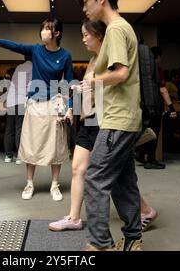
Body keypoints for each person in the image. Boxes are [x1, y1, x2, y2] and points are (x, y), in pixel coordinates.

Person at [76, 0, 143, 251]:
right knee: (122, 182)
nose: (84, 8)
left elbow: (122, 73)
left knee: (94, 178)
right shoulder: (124, 27)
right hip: (123, 118)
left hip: (118, 120)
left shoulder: (115, 28)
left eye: (86, 2)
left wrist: (93, 80)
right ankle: (132, 239)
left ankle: (99, 244)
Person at [0, 18, 74, 202]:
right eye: (42, 28)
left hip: (54, 103)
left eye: (47, 29)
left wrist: (70, 108)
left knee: (56, 147)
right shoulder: (35, 50)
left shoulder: (65, 56)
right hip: (34, 104)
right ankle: (29, 183)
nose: (43, 32)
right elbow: (15, 45)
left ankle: (55, 185)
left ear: (56, 33)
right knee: (30, 145)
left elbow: (68, 84)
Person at [48, 19, 104, 231]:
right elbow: (88, 87)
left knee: (115, 175)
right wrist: (74, 106)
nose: (83, 39)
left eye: (86, 34)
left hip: (103, 120)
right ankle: (74, 218)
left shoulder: (108, 59)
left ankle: (144, 210)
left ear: (98, 35)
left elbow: (114, 85)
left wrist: (92, 85)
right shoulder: (92, 60)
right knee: (77, 168)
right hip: (87, 119)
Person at [136, 46, 177, 169]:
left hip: (142, 105)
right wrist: (171, 108)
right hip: (154, 105)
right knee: (154, 132)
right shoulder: (156, 69)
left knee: (145, 130)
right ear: (157, 57)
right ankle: (151, 159)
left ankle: (141, 154)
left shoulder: (139, 69)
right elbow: (163, 89)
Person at [4, 61, 32, 164]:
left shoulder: (18, 67)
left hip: (11, 101)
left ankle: (8, 155)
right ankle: (19, 156)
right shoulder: (32, 68)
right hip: (21, 101)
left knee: (9, 129)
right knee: (19, 128)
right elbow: (30, 87)